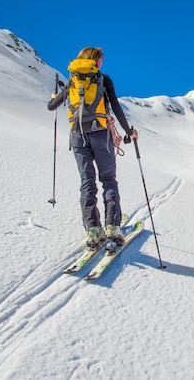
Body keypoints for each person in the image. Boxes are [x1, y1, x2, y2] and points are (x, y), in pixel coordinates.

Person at [47, 47, 138, 251]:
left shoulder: (72, 80)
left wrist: (54, 97)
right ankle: (113, 227)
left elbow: (51, 106)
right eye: (100, 61)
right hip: (101, 135)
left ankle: (93, 229)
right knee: (108, 180)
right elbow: (115, 106)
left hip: (78, 136)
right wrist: (129, 131)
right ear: (96, 61)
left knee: (87, 181)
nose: (101, 64)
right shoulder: (102, 79)